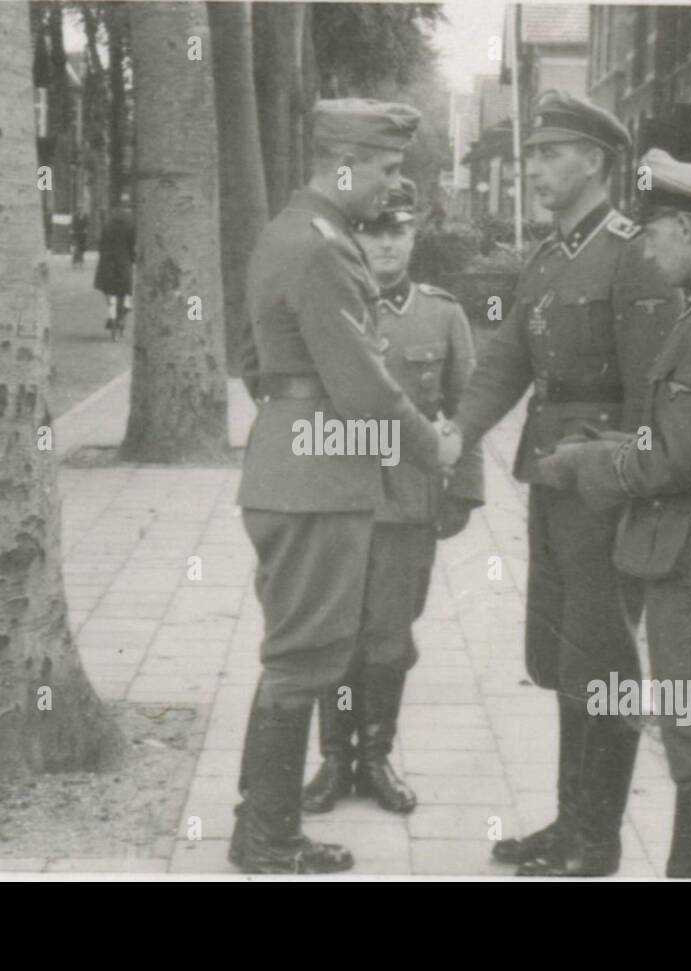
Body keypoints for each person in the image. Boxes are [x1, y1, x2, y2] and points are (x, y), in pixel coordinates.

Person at [537, 148, 691, 878]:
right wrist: (622, 441)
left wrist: (589, 462)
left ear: (686, 227)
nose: (646, 249)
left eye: (654, 233)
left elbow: (675, 463)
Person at [449, 91, 681, 877]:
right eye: (535, 152)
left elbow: (653, 390)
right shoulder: (549, 258)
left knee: (604, 656)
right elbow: (507, 360)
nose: (535, 165)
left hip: (606, 486)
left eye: (550, 152)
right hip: (549, 481)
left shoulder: (635, 255)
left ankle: (600, 840)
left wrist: (631, 481)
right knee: (562, 653)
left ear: (595, 159)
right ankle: (569, 822)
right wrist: (459, 430)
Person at [229, 99, 462, 874]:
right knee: (303, 658)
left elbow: (250, 357)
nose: (391, 185)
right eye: (388, 169)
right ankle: (268, 840)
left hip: (295, 463)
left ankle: (259, 827)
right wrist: (437, 448)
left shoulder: (287, 232)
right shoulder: (325, 248)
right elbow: (365, 386)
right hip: (318, 477)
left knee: (300, 652)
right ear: (345, 163)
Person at [301, 178, 484, 816]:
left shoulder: (443, 313)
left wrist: (463, 491)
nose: (384, 244)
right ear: (355, 237)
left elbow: (467, 409)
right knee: (334, 634)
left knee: (388, 638)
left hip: (407, 506)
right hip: (337, 503)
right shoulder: (330, 311)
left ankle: (375, 757)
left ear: (413, 237)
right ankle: (334, 760)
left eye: (396, 231)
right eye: (372, 231)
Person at [94, 204, 135, 341]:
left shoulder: (107, 226)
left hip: (107, 263)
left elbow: (100, 244)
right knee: (126, 290)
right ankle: (125, 309)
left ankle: (111, 314)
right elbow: (132, 245)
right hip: (124, 263)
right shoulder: (130, 226)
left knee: (109, 290)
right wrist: (132, 259)